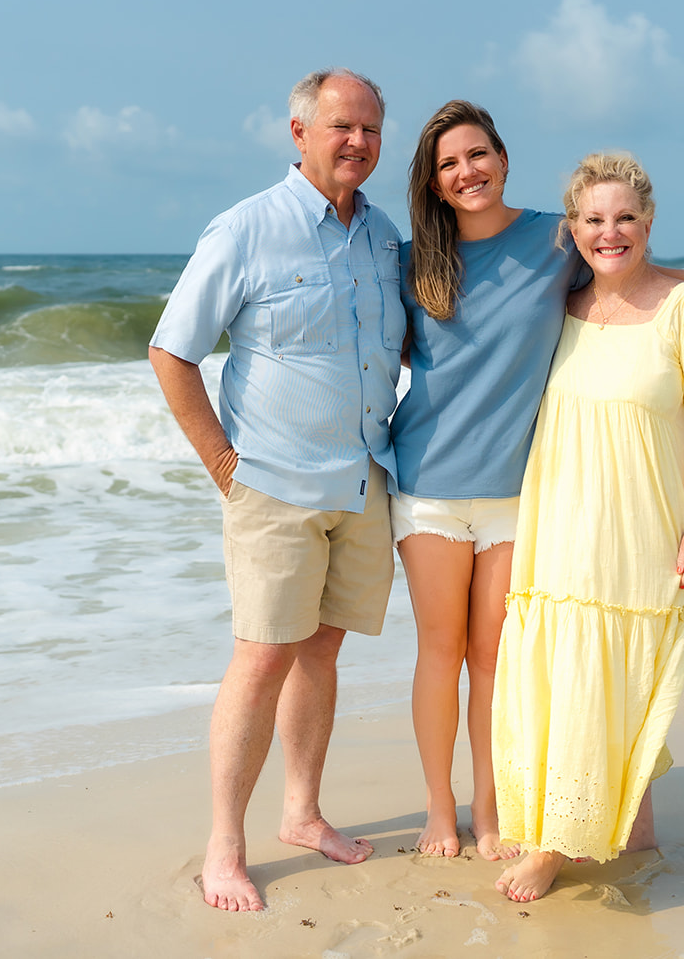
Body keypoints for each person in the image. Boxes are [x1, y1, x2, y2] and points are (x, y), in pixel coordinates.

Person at [389, 102, 684, 860]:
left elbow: (625, 267)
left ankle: (489, 810)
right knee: (439, 652)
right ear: (434, 182)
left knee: (497, 659)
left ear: (503, 159)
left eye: (478, 154)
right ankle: (440, 809)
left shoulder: (555, 239)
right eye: (449, 164)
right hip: (428, 483)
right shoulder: (413, 261)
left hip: (521, 490)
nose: (467, 172)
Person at [148, 68, 404, 913]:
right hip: (273, 483)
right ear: (299, 132)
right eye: (342, 126)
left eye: (371, 128)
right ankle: (225, 844)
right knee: (261, 657)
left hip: (363, 479)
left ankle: (302, 812)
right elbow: (171, 351)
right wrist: (223, 464)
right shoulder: (246, 229)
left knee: (322, 650)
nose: (358, 141)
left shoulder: (383, 237)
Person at [490, 152, 684, 902]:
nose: (611, 232)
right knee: (570, 670)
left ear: (649, 223)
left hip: (641, 530)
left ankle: (554, 847)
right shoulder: (558, 307)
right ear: (573, 229)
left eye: (626, 217)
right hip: (558, 523)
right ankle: (635, 838)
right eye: (595, 219)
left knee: (614, 674)